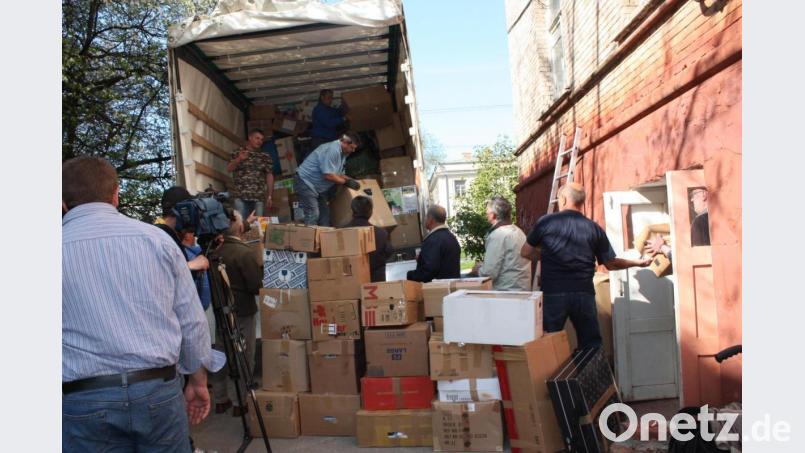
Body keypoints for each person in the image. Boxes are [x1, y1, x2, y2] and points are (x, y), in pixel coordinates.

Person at [62, 156, 224, 452]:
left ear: (62, 202)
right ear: (115, 195)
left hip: (82, 399)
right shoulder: (157, 241)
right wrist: (197, 380)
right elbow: (191, 320)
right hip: (157, 390)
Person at [520, 182, 651, 350]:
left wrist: (546, 257)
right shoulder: (593, 228)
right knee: (591, 344)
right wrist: (637, 262)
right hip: (584, 293)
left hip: (554, 293)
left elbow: (525, 252)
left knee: (548, 342)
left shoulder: (546, 223)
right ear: (581, 202)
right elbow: (611, 263)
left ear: (564, 199)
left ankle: (550, 375)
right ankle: (590, 375)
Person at [208, 209, 263, 416]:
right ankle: (243, 402)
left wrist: (245, 222)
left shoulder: (213, 253)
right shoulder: (244, 253)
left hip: (220, 311)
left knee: (221, 354)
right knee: (244, 355)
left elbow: (235, 228)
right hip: (242, 311)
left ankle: (221, 399)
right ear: (239, 227)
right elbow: (256, 285)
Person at [293, 132, 362, 226]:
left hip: (315, 188)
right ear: (345, 142)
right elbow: (328, 175)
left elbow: (339, 174)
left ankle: (323, 239)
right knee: (313, 214)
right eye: (352, 147)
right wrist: (346, 182)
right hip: (305, 182)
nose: (353, 150)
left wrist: (351, 181)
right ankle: (307, 240)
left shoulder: (343, 154)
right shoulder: (333, 150)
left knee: (325, 216)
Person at [471, 196, 531, 291]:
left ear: (492, 215)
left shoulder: (497, 235)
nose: (486, 215)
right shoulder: (519, 231)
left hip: (506, 293)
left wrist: (478, 270)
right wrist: (483, 266)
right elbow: (508, 263)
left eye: (487, 213)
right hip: (522, 290)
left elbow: (489, 273)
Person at [645, 187, 710, 258]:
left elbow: (694, 258)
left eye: (693, 195)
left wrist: (662, 246)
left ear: (704, 194)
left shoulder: (700, 221)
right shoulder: (713, 217)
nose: (691, 200)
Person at [227, 128, 273, 220]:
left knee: (257, 228)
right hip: (241, 197)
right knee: (240, 226)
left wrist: (270, 195)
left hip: (258, 199)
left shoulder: (265, 156)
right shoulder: (238, 152)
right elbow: (229, 169)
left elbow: (269, 175)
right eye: (257, 138)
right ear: (250, 137)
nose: (259, 141)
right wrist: (239, 159)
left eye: (261, 139)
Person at [407, 205, 461, 283]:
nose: (424, 221)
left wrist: (410, 275)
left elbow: (430, 270)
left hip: (438, 289)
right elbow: (443, 262)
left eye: (426, 217)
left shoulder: (433, 240)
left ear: (431, 219)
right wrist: (422, 260)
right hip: (452, 286)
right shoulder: (451, 237)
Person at [345, 196, 393, 282]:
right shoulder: (381, 233)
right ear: (370, 212)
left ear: (352, 211)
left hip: (350, 283)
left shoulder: (341, 233)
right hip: (376, 285)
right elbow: (389, 251)